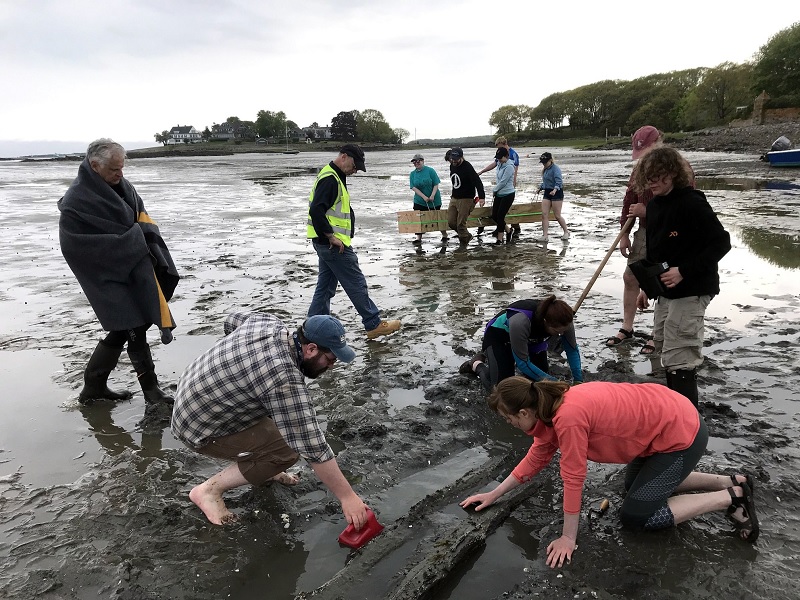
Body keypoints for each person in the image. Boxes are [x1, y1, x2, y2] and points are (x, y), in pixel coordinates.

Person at [461, 377, 760, 568]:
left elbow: (574, 478)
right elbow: (535, 459)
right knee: (634, 488)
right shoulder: (548, 408)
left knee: (637, 516)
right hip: (667, 424)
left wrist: (568, 538)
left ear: (524, 413)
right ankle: (732, 480)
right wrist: (494, 493)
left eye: (508, 418)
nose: (508, 424)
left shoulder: (568, 418)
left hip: (682, 435)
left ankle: (730, 498)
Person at [171, 311, 372, 529]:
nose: (331, 366)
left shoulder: (268, 323)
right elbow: (313, 445)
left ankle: (265, 470)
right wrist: (348, 497)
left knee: (280, 421)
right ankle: (209, 491)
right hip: (196, 426)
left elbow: (231, 320)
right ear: (311, 349)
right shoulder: (282, 378)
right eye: (330, 359)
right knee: (286, 452)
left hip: (190, 394)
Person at [58, 138, 179, 406]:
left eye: (121, 168)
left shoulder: (123, 187)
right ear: (94, 166)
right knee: (132, 326)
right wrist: (130, 242)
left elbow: (141, 219)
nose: (120, 174)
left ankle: (94, 388)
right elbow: (73, 244)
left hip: (134, 266)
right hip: (104, 274)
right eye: (114, 169)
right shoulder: (77, 199)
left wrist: (141, 242)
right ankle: (150, 391)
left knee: (128, 327)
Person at [633, 147, 731, 407]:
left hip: (693, 287)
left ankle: (688, 424)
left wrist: (683, 271)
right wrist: (647, 288)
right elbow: (655, 254)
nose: (652, 182)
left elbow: (721, 243)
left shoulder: (692, 202)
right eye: (649, 177)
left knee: (680, 356)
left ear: (673, 173)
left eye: (658, 176)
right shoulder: (653, 206)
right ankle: (677, 415)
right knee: (665, 347)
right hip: (665, 291)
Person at [307, 144, 401, 340]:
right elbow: (316, 210)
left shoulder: (333, 175)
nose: (356, 169)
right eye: (354, 165)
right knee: (356, 283)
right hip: (333, 245)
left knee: (325, 288)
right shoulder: (330, 179)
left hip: (325, 244)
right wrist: (330, 236)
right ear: (344, 157)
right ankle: (373, 324)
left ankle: (313, 327)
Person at [605, 126, 664, 353]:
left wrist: (647, 210)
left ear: (658, 143)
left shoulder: (677, 169)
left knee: (661, 283)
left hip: (668, 233)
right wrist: (624, 235)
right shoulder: (638, 171)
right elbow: (629, 202)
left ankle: (657, 335)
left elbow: (682, 209)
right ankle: (627, 328)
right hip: (644, 231)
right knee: (630, 277)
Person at [459, 296, 583, 391]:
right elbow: (523, 363)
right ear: (545, 322)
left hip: (531, 340)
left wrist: (578, 381)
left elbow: (572, 350)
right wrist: (556, 383)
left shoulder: (565, 321)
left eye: (564, 331)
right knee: (501, 391)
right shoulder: (521, 321)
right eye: (557, 332)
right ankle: (476, 364)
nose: (560, 334)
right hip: (500, 337)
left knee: (541, 387)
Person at [478, 136, 522, 237]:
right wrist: (482, 171)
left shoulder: (513, 154)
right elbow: (494, 164)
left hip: (508, 187)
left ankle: (514, 227)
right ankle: (503, 229)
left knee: (505, 210)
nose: (497, 149)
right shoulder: (499, 155)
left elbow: (515, 170)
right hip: (501, 188)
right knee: (499, 212)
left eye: (499, 146)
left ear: (504, 144)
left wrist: (513, 182)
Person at [447, 147, 485, 244]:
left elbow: (477, 181)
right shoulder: (452, 165)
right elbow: (454, 182)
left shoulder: (467, 166)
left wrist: (482, 197)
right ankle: (467, 236)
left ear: (461, 157)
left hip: (466, 198)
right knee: (451, 222)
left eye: (455, 159)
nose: (453, 161)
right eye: (452, 158)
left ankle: (463, 247)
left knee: (461, 224)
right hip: (454, 197)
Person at [408, 153, 447, 245]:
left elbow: (436, 183)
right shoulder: (412, 174)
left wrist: (432, 195)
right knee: (418, 219)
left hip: (434, 199)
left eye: (418, 161)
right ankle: (418, 238)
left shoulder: (430, 170)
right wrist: (424, 197)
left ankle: (444, 235)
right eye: (414, 162)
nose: (416, 163)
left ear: (422, 161)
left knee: (437, 217)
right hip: (419, 200)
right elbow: (413, 187)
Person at [537, 152, 569, 242]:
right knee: (544, 214)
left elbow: (558, 181)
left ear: (550, 160)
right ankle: (545, 235)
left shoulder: (556, 169)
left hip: (557, 192)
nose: (544, 164)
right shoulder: (545, 170)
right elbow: (546, 182)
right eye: (542, 162)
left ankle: (566, 231)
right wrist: (540, 188)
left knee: (557, 215)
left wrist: (554, 190)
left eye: (545, 162)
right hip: (547, 192)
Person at [489, 147, 516, 244]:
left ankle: (500, 238)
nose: (499, 159)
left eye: (501, 157)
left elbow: (503, 182)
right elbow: (498, 179)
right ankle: (508, 231)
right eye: (498, 157)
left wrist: (494, 190)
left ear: (506, 156)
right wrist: (496, 191)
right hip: (499, 194)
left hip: (508, 194)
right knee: (494, 216)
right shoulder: (499, 164)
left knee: (500, 216)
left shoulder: (509, 166)